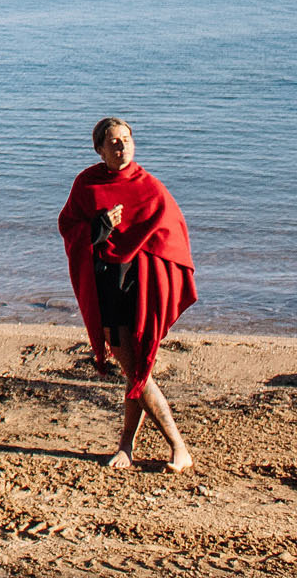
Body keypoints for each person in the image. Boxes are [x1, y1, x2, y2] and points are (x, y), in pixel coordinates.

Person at [58, 117, 197, 470]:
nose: (121, 147)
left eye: (126, 140)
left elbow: (172, 231)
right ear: (100, 149)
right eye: (113, 142)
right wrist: (102, 224)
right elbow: (69, 227)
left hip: (140, 285)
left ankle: (177, 448)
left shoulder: (148, 186)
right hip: (107, 285)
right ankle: (129, 447)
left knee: (138, 371)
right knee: (134, 370)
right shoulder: (86, 185)